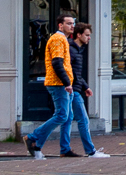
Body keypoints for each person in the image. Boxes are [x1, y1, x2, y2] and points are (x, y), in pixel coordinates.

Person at [23, 13, 78, 160]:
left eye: (73, 23)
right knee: (61, 115)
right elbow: (57, 63)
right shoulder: (58, 39)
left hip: (63, 83)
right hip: (58, 83)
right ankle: (32, 137)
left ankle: (58, 149)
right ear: (60, 25)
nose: (72, 26)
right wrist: (67, 83)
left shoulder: (63, 39)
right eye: (68, 23)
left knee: (67, 117)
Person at [68, 23, 109, 159]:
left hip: (74, 88)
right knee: (83, 119)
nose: (89, 38)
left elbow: (76, 74)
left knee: (65, 119)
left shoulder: (77, 50)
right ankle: (90, 151)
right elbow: (72, 73)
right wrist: (80, 86)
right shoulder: (72, 51)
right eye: (87, 35)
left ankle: (64, 149)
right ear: (78, 35)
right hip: (72, 89)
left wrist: (85, 86)